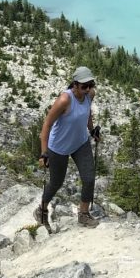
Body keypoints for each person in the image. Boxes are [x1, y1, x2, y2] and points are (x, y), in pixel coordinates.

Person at [34, 65, 102, 231]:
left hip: (80, 142)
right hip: (59, 147)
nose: (87, 89)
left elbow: (87, 114)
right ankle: (41, 210)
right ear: (74, 85)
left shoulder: (89, 95)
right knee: (56, 182)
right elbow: (47, 124)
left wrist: (92, 130)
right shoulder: (65, 100)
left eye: (90, 85)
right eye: (84, 86)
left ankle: (84, 214)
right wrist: (44, 152)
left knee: (89, 178)